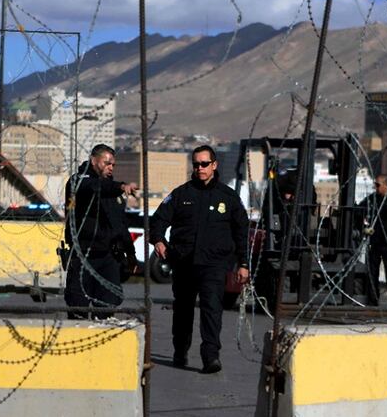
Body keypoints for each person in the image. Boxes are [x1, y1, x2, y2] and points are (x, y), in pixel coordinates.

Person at [151, 145, 249, 374]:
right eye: (196, 164)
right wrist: (158, 240)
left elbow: (241, 232)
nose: (200, 168)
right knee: (183, 310)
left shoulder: (228, 197)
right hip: (184, 263)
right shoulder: (181, 194)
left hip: (213, 265)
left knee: (211, 309)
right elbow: (158, 219)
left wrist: (243, 264)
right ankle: (180, 350)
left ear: (214, 165)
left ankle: (211, 357)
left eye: (205, 164)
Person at [63, 144, 138, 318]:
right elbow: (92, 187)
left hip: (108, 257)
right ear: (94, 161)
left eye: (113, 165)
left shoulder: (111, 190)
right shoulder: (79, 182)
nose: (111, 167)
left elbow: (120, 224)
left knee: (107, 307)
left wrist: (130, 253)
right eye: (107, 163)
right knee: (78, 308)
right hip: (83, 255)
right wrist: (119, 187)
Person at [358, 175, 387, 306]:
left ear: (386, 185)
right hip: (375, 239)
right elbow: (361, 207)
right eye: (375, 185)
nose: (376, 187)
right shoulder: (374, 198)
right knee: (372, 271)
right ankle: (373, 299)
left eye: (378, 185)